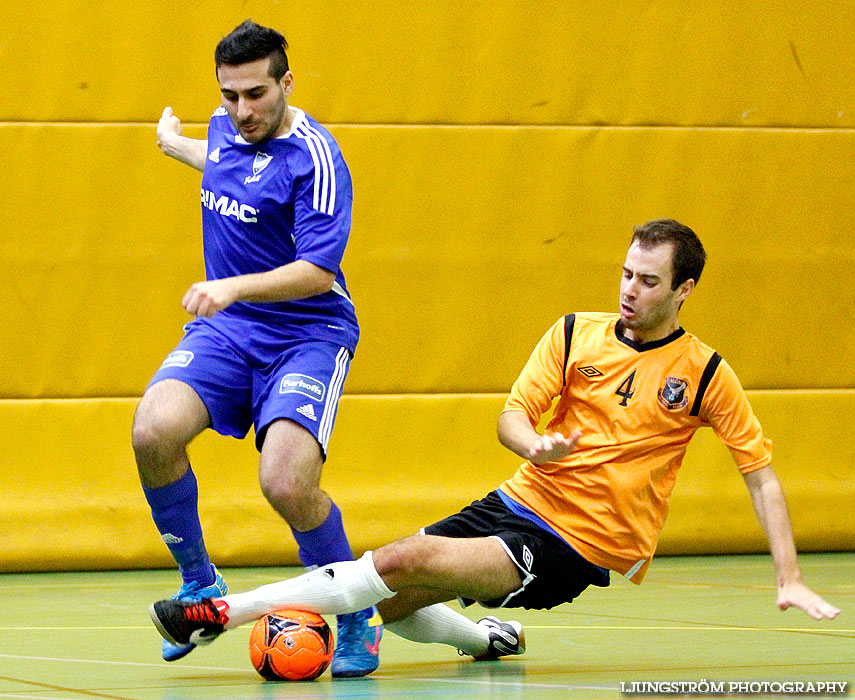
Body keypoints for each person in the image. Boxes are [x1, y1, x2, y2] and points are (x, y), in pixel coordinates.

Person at [149, 219, 840, 664]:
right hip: (516, 501)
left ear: (684, 289)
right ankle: (484, 639)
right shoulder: (575, 333)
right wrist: (532, 446)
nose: (629, 289)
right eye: (626, 273)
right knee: (377, 607)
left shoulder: (705, 372)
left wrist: (788, 575)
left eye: (648, 281)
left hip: (577, 545)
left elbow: (761, 475)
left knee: (399, 559)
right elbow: (511, 418)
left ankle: (215, 614)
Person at [133, 20, 384, 676]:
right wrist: (173, 144)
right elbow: (219, 159)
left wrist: (230, 286)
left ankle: (356, 609)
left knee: (285, 481)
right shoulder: (223, 129)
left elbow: (317, 272)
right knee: (153, 431)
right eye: (228, 96)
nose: (241, 111)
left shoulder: (317, 158)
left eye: (255, 95)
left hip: (308, 332)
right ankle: (200, 584)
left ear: (287, 83)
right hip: (229, 330)